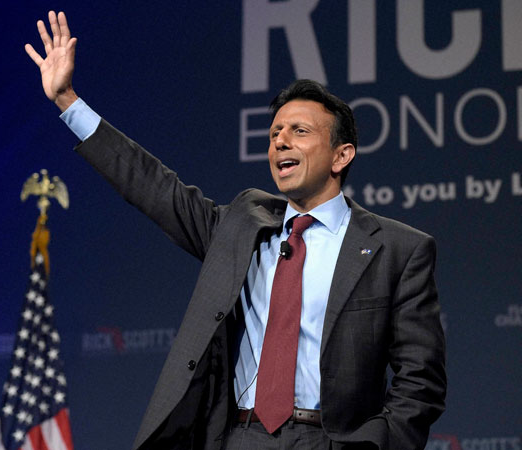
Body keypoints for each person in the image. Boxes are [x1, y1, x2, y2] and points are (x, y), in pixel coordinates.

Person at [26, 11, 446, 450]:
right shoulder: (243, 226)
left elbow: (421, 379)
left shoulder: (397, 249)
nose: (280, 141)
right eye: (275, 132)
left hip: (329, 440)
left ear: (341, 156)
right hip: (239, 437)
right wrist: (68, 101)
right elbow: (154, 187)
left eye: (299, 131)